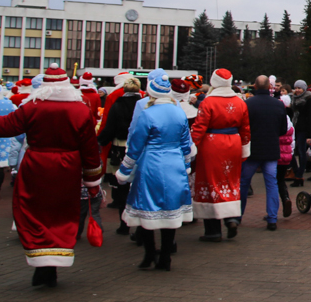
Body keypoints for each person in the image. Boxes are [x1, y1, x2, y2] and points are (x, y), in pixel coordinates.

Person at [0, 65, 102, 287]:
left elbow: (2, 127)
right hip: (67, 168)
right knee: (61, 214)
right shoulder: (81, 110)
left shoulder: (32, 107)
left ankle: (41, 264)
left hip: (36, 165)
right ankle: (54, 265)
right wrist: (93, 181)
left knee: (35, 212)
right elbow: (89, 149)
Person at [116, 75, 194, 271]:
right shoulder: (178, 112)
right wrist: (186, 164)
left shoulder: (148, 113)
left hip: (151, 163)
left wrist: (124, 170)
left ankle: (150, 254)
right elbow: (187, 144)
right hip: (174, 163)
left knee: (147, 208)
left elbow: (135, 145)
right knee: (171, 211)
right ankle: (165, 256)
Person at [191, 69, 251, 241]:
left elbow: (199, 126)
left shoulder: (208, 102)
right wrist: (245, 148)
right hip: (233, 143)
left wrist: (191, 146)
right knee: (230, 181)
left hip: (212, 144)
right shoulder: (240, 102)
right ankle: (231, 218)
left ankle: (213, 231)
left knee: (210, 183)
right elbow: (246, 128)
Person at [240, 75, 288, 232]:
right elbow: (283, 129)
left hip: (252, 150)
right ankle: (272, 218)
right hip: (271, 149)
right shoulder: (278, 105)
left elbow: (243, 127)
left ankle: (237, 216)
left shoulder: (247, 104)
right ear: (270, 87)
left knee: (244, 182)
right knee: (271, 183)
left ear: (254, 86)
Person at [97, 77, 142, 235]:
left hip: (119, 147)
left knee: (122, 186)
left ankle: (124, 224)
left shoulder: (117, 105)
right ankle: (141, 226)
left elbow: (109, 128)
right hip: (140, 149)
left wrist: (100, 141)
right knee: (139, 187)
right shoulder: (144, 104)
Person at [290, 80, 311, 186]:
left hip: (303, 129)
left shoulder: (308, 100)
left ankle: (299, 176)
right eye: (296, 88)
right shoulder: (293, 99)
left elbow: (310, 117)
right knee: (292, 152)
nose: (297, 90)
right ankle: (297, 173)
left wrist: (309, 135)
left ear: (304, 89)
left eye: (299, 88)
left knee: (301, 152)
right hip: (294, 128)